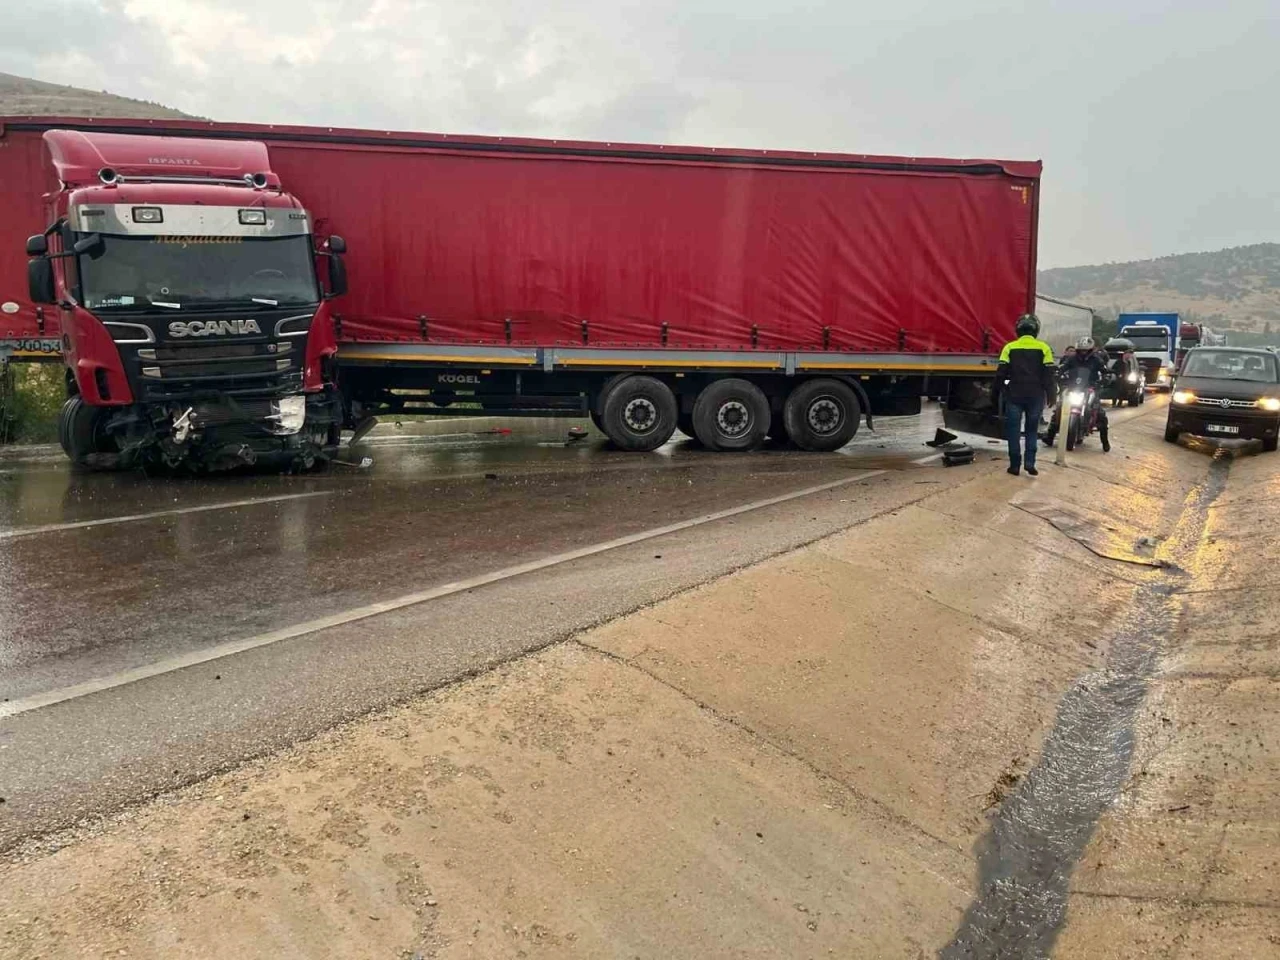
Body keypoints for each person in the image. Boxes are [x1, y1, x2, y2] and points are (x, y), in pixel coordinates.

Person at [996, 313, 1056, 476]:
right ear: (1036, 330)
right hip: (1035, 395)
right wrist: (1051, 394)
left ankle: (1014, 466)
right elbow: (1049, 375)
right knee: (1031, 430)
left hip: (1014, 394)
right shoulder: (1044, 348)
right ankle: (1030, 463)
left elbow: (1000, 374)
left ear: (1018, 330)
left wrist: (998, 393)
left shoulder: (1009, 347)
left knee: (1013, 431)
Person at [1044, 336, 1112, 452]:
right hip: (1073, 387)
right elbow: (1063, 367)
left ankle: (1105, 441)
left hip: (1090, 388)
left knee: (1101, 414)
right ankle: (1049, 436)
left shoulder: (1096, 360)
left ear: (1090, 350)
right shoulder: (1072, 359)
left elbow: (1105, 370)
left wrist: (1106, 377)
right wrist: (1057, 373)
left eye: (1085, 350)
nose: (1083, 352)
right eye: (1081, 350)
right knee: (1059, 408)